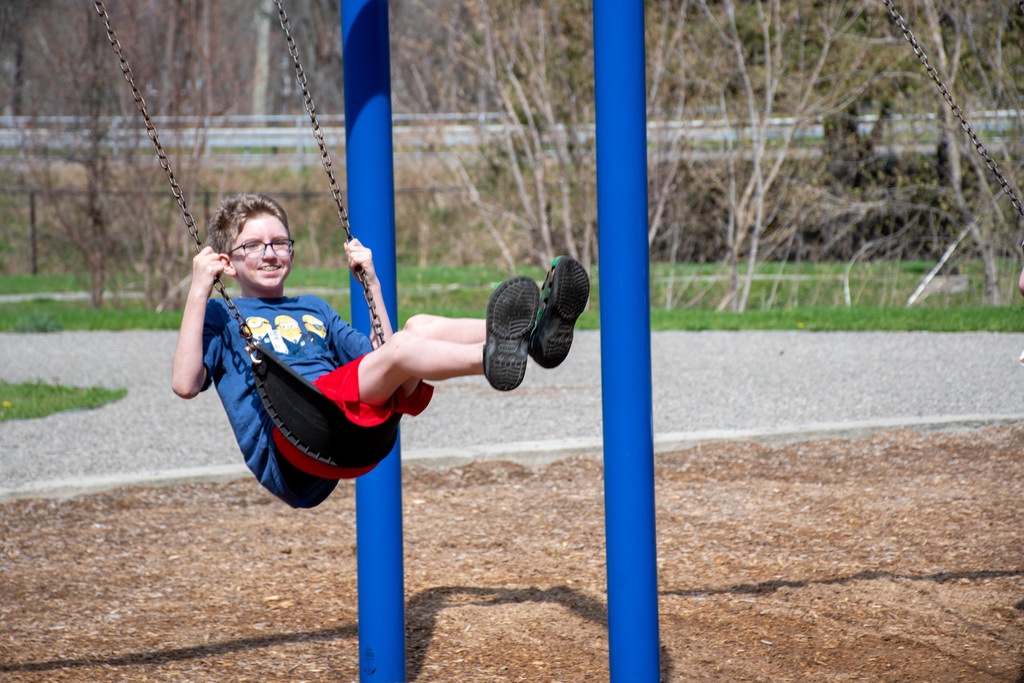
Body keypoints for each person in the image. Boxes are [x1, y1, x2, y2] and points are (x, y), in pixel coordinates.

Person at [172, 193, 590, 508]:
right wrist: (198, 290)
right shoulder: (221, 316)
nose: (270, 252)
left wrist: (371, 281)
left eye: (280, 242)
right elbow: (186, 384)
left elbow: (382, 353)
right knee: (408, 345)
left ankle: (531, 337)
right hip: (299, 433)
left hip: (349, 425)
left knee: (418, 327)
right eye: (254, 245)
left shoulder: (314, 307)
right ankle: (491, 356)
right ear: (226, 262)